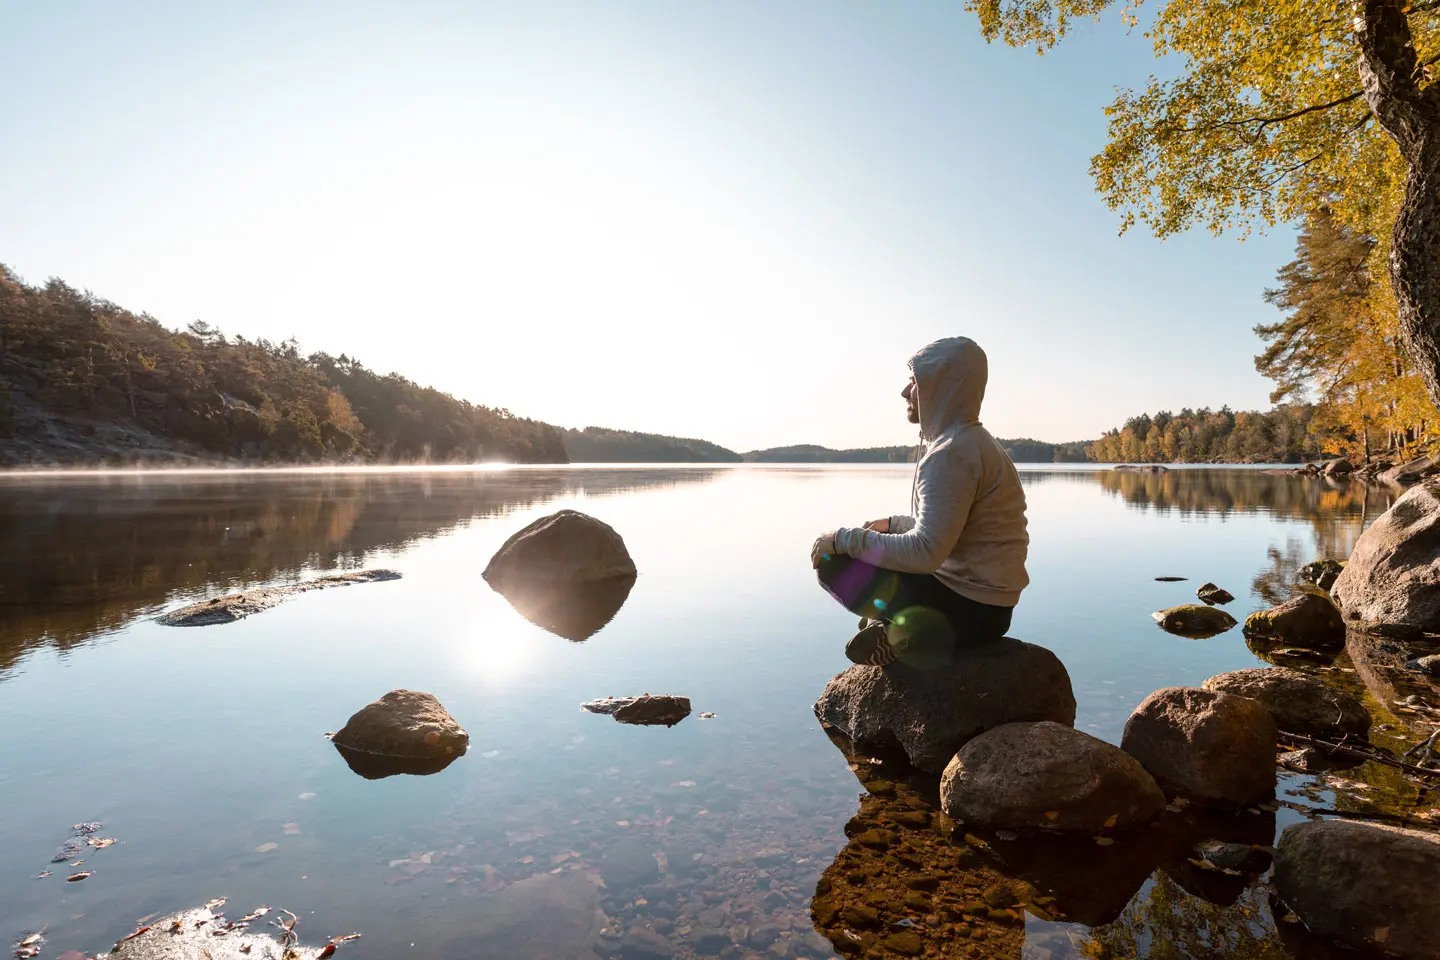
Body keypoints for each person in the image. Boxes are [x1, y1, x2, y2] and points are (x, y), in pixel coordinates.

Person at [810, 336, 1029, 667]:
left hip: (964, 609)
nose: (904, 391)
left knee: (833, 563)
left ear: (940, 385)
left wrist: (842, 539)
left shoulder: (950, 453)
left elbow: (926, 553)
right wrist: (895, 525)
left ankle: (905, 633)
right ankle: (896, 628)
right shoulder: (973, 443)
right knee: (877, 548)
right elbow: (953, 533)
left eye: (914, 381)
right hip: (990, 611)